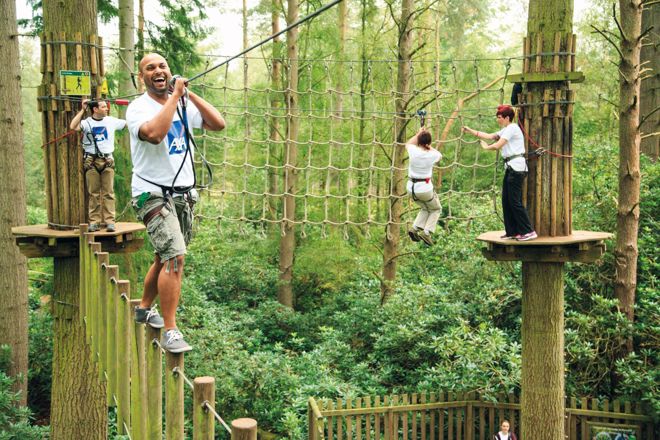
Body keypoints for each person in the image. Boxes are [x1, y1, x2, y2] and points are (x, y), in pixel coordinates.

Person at [126, 53, 225, 353]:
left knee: (163, 255)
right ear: (142, 77)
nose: (158, 71)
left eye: (162, 66)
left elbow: (218, 123)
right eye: (150, 68)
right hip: (150, 193)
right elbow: (155, 135)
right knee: (175, 257)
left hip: (183, 194)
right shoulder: (137, 108)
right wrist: (174, 98)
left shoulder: (182, 101)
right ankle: (171, 330)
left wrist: (187, 93)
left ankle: (144, 308)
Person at [463, 105, 537, 241]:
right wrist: (470, 131)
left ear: (507, 118)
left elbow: (498, 145)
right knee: (506, 201)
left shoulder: (512, 128)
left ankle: (528, 231)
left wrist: (486, 147)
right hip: (510, 168)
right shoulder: (506, 130)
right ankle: (512, 231)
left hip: (516, 168)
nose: (498, 120)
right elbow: (490, 136)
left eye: (499, 118)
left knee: (515, 201)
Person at [71, 99, 126, 232]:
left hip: (107, 160)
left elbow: (129, 123)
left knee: (109, 193)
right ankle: (94, 222)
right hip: (91, 161)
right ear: (95, 109)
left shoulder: (111, 121)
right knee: (93, 194)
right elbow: (73, 126)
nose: (106, 108)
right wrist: (83, 109)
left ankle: (110, 222)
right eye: (103, 107)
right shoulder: (86, 123)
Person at [405, 127, 442, 246]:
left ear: (419, 142)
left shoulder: (413, 151)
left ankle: (415, 228)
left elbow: (408, 143)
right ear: (428, 143)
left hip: (411, 188)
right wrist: (428, 146)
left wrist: (418, 133)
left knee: (425, 208)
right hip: (425, 189)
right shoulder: (432, 154)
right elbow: (439, 155)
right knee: (436, 209)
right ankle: (426, 232)